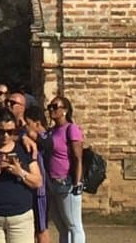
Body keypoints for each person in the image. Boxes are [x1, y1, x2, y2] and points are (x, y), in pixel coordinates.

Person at [0, 106, 42, 243]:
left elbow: (38, 182)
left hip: (21, 218)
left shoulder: (25, 149)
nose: (5, 136)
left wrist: (20, 172)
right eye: (1, 131)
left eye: (10, 131)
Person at [45, 95, 85, 243]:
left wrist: (77, 182)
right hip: (52, 182)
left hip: (66, 181)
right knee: (62, 227)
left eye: (55, 107)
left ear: (65, 111)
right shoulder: (52, 131)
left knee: (74, 225)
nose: (51, 110)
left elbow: (77, 157)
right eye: (50, 106)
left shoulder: (71, 129)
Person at [23, 104, 50, 243]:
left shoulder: (45, 138)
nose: (25, 127)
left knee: (41, 229)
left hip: (41, 191)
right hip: (33, 189)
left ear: (37, 123)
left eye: (27, 124)